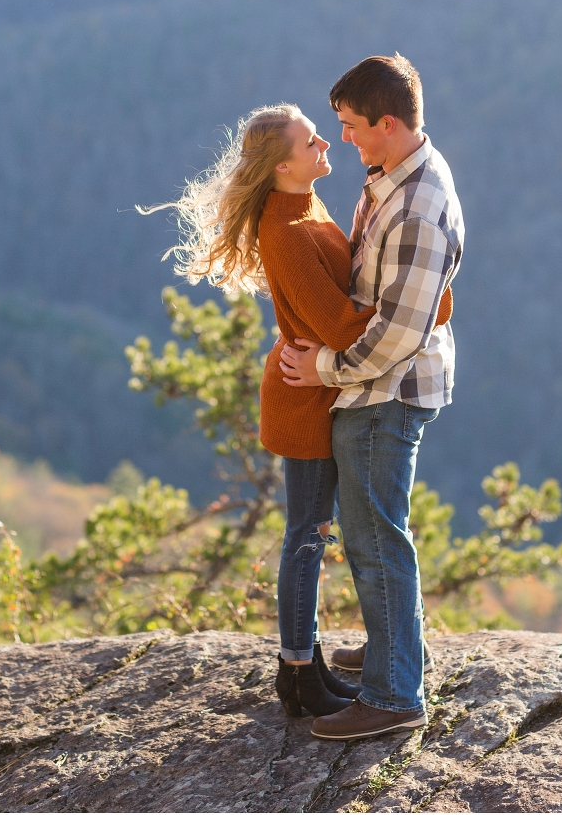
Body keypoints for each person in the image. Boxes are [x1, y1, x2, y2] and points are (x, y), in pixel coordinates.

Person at [153, 101, 453, 720]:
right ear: (283, 163)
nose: (328, 145)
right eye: (314, 139)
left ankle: (308, 665)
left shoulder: (306, 206)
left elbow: (352, 285)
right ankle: (297, 669)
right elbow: (342, 325)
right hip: (306, 396)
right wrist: (430, 308)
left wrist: (417, 295)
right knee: (308, 535)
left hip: (326, 388)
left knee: (317, 532)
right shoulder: (285, 231)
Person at [280, 54, 464, 741]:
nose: (345, 138)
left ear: (389, 123)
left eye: (353, 126)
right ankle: (395, 651)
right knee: (372, 532)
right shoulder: (392, 174)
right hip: (377, 383)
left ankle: (392, 695)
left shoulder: (418, 206)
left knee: (375, 536)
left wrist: (324, 366)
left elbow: (395, 336)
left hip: (387, 388)